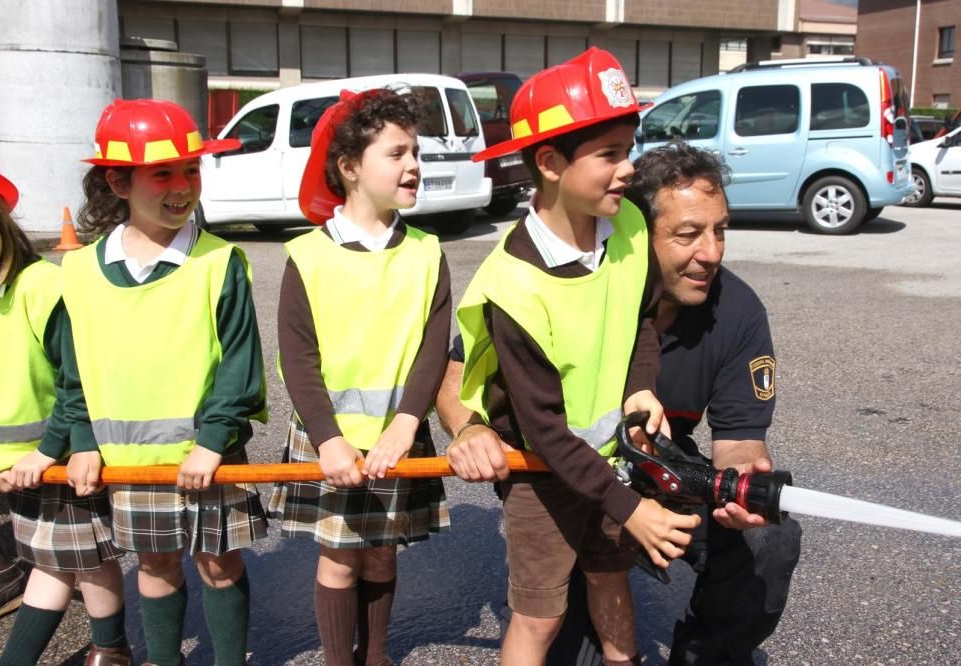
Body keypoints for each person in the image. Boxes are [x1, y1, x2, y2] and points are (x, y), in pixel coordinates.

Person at [439, 141, 802, 665]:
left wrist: (739, 491)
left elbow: (741, 442)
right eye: (687, 234)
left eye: (720, 229)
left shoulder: (738, 311)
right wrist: (468, 429)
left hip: (658, 468)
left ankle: (706, 656)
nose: (712, 253)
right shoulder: (569, 286)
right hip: (566, 471)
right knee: (557, 635)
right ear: (635, 236)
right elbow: (456, 373)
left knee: (770, 537)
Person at [453, 48, 700, 666]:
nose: (629, 168)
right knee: (541, 616)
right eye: (610, 154)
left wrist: (643, 385)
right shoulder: (511, 286)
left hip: (612, 455)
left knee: (612, 582)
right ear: (550, 162)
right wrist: (633, 508)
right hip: (542, 471)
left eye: (630, 148)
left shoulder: (633, 226)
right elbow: (543, 429)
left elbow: (643, 318)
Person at [62, 99, 270, 666]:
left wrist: (214, 438)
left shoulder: (219, 261)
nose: (182, 186)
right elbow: (72, 367)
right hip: (129, 461)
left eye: (192, 170)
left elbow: (239, 362)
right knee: (154, 564)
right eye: (163, 173)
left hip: (207, 454)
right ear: (118, 181)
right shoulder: (79, 270)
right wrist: (81, 439)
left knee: (218, 563)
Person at [269, 88, 451, 666]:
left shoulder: (427, 251)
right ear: (349, 167)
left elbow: (432, 348)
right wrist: (327, 437)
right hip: (332, 437)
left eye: (415, 152)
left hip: (397, 434)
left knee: (381, 553)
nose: (414, 165)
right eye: (396, 154)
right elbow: (297, 358)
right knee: (341, 556)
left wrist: (405, 424)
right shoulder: (308, 255)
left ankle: (375, 656)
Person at [0, 158, 128, 665]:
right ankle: (111, 648)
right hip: (6, 468)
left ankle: (108, 649)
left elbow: (78, 381)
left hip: (55, 457)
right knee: (58, 562)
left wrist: (47, 450)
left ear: (4, 223)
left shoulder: (41, 286)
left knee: (83, 562)